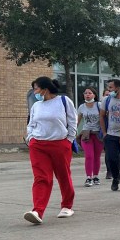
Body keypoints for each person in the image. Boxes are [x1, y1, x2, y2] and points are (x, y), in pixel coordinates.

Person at [24, 76, 76, 224]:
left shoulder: (64, 101)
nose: (34, 92)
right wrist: (31, 138)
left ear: (45, 89)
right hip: (38, 146)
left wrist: (69, 140)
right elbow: (31, 123)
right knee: (41, 178)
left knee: (63, 175)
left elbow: (72, 121)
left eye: (36, 89)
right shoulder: (36, 106)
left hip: (60, 144)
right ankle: (37, 211)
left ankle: (67, 206)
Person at [101, 79, 120, 191]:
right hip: (111, 135)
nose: (109, 90)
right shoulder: (107, 100)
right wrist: (104, 132)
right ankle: (116, 178)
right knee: (112, 159)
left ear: (118, 88)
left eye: (110, 88)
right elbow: (102, 116)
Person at [76, 86, 103, 187]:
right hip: (86, 134)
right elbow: (77, 122)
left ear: (94, 95)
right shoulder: (82, 107)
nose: (87, 95)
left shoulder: (99, 105)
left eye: (89, 93)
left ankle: (96, 176)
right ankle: (88, 177)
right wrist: (72, 132)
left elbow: (105, 117)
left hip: (98, 134)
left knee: (97, 156)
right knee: (89, 155)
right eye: (85, 93)